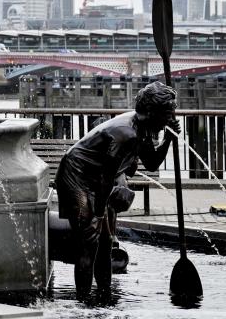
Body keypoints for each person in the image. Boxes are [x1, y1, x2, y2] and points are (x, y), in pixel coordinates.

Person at [55, 81, 179, 298]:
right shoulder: (127, 133)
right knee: (89, 240)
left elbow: (151, 164)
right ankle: (83, 303)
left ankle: (104, 295)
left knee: (106, 242)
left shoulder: (144, 129)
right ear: (151, 112)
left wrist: (168, 139)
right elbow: (106, 177)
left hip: (99, 178)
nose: (170, 118)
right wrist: (99, 213)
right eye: (167, 113)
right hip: (77, 177)